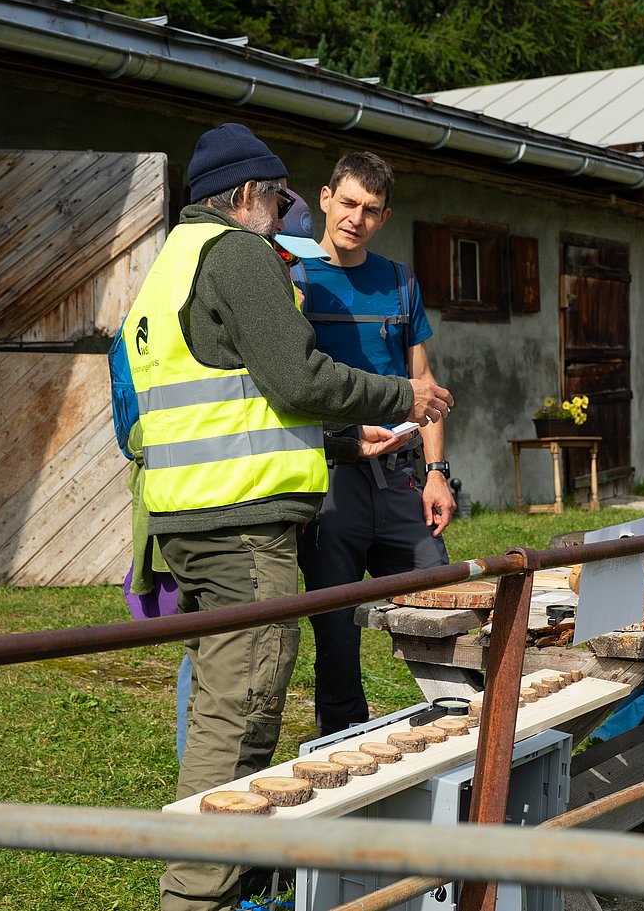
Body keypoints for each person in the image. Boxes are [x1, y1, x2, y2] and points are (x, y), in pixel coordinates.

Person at [121, 123, 453, 911]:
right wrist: (400, 397)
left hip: (190, 519)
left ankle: (214, 880)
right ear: (244, 196)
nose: (284, 212)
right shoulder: (236, 253)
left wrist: (342, 438)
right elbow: (297, 377)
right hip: (240, 526)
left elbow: (242, 395)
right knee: (245, 709)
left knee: (217, 708)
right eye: (277, 197)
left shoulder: (171, 259)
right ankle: (202, 894)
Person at [292, 150, 456, 737]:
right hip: (332, 477)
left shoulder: (399, 279)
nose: (356, 218)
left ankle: (459, 736)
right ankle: (345, 756)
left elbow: (426, 388)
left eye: (372, 209)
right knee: (336, 635)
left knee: (441, 607)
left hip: (400, 480)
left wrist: (436, 471)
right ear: (325, 197)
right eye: (349, 202)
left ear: (383, 219)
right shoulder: (293, 276)